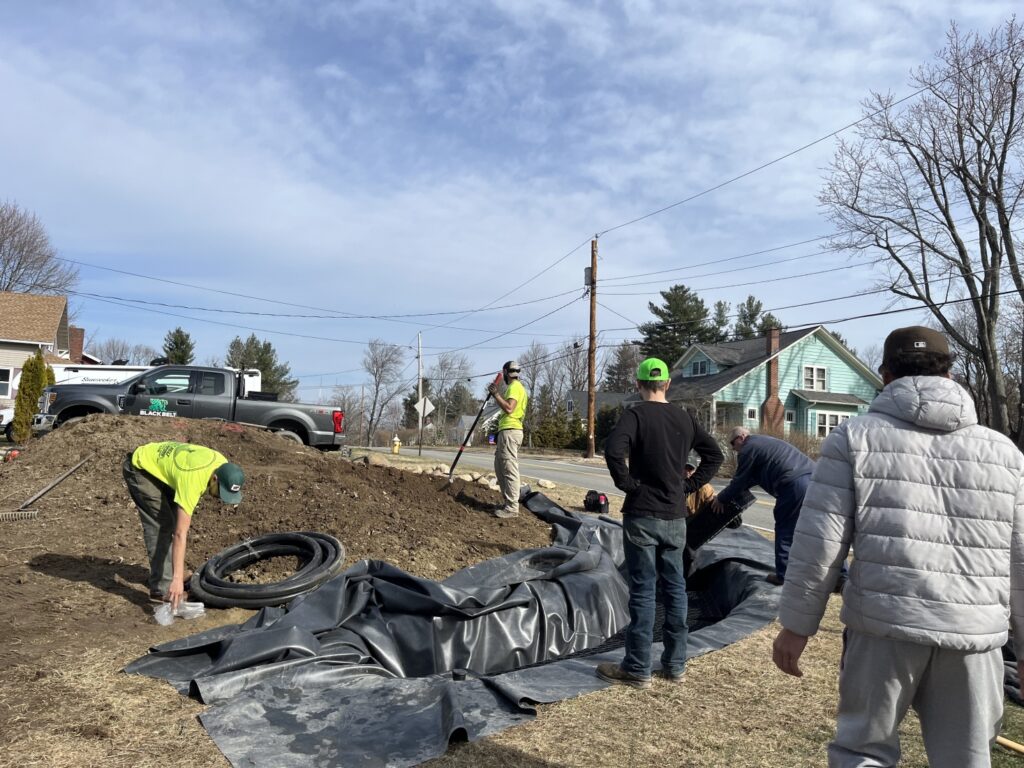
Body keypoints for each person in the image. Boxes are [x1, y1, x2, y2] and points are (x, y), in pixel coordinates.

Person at [772, 326, 1024, 768]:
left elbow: (819, 542)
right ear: (949, 373)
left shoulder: (852, 438)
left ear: (885, 375)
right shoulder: (1005, 453)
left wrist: (797, 626)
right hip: (973, 634)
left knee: (863, 754)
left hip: (883, 628)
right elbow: (1020, 557)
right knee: (967, 759)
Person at [597, 357, 724, 688]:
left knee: (642, 589)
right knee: (675, 587)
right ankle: (675, 665)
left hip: (641, 514)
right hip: (674, 517)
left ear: (638, 385)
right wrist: (688, 486)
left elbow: (613, 450)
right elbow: (715, 455)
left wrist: (628, 484)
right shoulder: (684, 418)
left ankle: (638, 668)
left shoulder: (635, 415)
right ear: (667, 384)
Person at [123, 441, 245, 609]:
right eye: (220, 492)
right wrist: (177, 580)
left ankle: (171, 572)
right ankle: (163, 589)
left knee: (174, 518)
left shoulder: (222, 465)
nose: (220, 498)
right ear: (215, 478)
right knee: (162, 526)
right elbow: (180, 534)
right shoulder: (193, 481)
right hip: (141, 469)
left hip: (162, 469)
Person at [717, 425, 814, 585]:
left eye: (732, 444)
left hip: (793, 484)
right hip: (814, 479)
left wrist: (721, 499)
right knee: (819, 528)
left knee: (785, 529)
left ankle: (783, 575)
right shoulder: (764, 443)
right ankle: (841, 575)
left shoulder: (748, 449)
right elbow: (751, 479)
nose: (733, 449)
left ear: (741, 437)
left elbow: (739, 481)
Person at [487, 360, 529, 518]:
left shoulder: (515, 387)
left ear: (505, 372)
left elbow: (509, 408)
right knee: (500, 467)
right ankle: (508, 503)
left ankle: (512, 508)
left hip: (511, 431)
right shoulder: (517, 387)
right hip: (506, 431)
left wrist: (496, 394)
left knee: (509, 469)